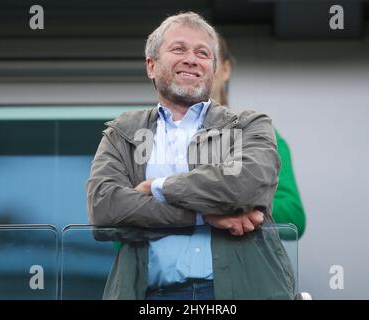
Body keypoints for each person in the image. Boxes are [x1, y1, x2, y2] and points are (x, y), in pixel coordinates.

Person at [87, 12, 295, 300]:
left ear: (213, 69)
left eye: (203, 53)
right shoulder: (122, 132)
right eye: (178, 49)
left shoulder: (248, 124)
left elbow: (244, 186)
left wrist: (158, 187)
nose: (192, 59)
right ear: (151, 65)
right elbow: (105, 209)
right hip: (149, 296)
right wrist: (203, 216)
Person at [211, 35, 306, 238]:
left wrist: (233, 206)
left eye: (208, 56)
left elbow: (294, 217)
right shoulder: (152, 136)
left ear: (226, 69)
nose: (196, 64)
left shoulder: (258, 134)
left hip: (238, 266)